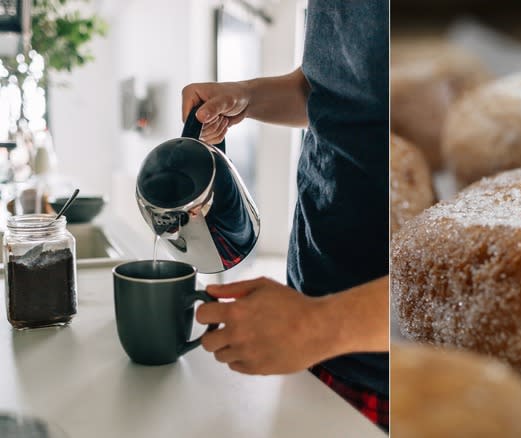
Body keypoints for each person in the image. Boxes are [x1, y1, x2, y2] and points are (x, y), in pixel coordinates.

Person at [181, 0, 389, 431]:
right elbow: (328, 89)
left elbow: (475, 262)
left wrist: (322, 325)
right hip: (312, 309)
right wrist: (247, 97)